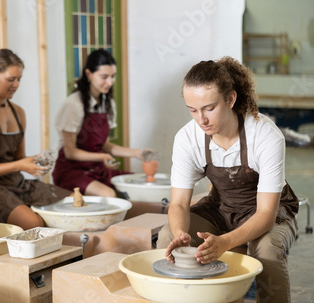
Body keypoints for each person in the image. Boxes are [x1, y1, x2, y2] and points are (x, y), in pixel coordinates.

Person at [157, 57, 298, 303]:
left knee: (267, 250)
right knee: (167, 235)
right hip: (222, 209)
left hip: (270, 212)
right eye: (193, 110)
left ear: (231, 99)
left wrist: (225, 242)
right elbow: (178, 203)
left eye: (209, 108)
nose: (201, 120)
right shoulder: (187, 138)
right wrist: (181, 234)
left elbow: (265, 214)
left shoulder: (265, 136)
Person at [0, 49, 71, 230]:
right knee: (33, 222)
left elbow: (19, 158)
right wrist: (20, 166)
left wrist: (36, 161)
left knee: (73, 203)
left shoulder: (19, 113)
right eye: (10, 79)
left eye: (19, 79)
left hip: (15, 182)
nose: (16, 84)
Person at [53, 49, 148, 197]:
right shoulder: (74, 104)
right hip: (71, 171)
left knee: (141, 185)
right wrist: (102, 157)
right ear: (89, 74)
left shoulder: (107, 102)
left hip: (97, 168)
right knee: (109, 194)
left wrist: (137, 153)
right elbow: (70, 152)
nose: (110, 82)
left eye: (113, 77)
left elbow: (104, 145)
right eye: (104, 77)